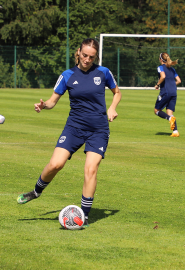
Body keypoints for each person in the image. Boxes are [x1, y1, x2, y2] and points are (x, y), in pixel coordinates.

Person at [17, 38, 121, 228]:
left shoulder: (103, 72)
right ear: (78, 52)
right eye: (84, 55)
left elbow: (117, 92)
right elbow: (52, 101)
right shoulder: (67, 75)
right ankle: (36, 192)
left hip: (98, 129)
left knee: (91, 169)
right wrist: (43, 106)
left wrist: (112, 108)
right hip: (74, 127)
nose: (87, 60)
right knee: (56, 164)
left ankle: (85, 215)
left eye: (91, 57)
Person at [154, 52, 181, 137]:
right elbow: (179, 81)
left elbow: (163, 76)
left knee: (156, 110)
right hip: (174, 92)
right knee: (169, 112)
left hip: (165, 92)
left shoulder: (160, 67)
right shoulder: (172, 69)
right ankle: (175, 131)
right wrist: (172, 85)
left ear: (160, 59)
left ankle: (170, 119)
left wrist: (157, 84)